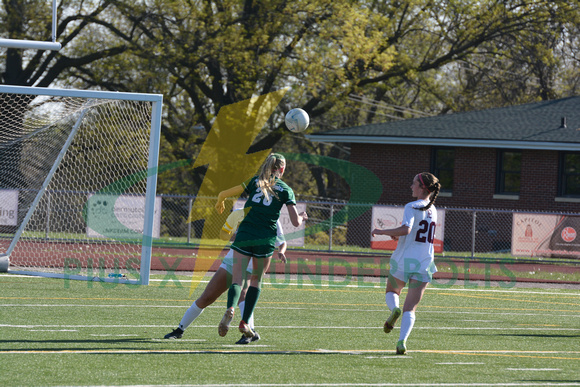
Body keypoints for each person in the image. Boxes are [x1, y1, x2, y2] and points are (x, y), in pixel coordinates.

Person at [215, 153, 307, 339]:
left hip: (245, 234)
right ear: (281, 169)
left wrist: (220, 200)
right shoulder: (285, 189)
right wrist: (302, 217)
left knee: (237, 280)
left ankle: (230, 308)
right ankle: (245, 322)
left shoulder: (254, 181)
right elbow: (295, 222)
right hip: (265, 239)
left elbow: (224, 193)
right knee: (256, 281)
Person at [164, 208, 287, 344]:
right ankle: (180, 330)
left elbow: (282, 241)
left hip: (253, 262)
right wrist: (234, 234)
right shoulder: (239, 212)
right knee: (207, 297)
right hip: (233, 258)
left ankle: (249, 332)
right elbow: (224, 234)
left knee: (243, 295)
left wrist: (281, 251)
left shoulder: (272, 216)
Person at [371, 172, 440, 355]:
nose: (411, 186)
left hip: (405, 259)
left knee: (392, 291)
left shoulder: (411, 206)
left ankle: (394, 309)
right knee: (411, 308)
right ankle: (402, 341)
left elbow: (407, 229)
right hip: (424, 261)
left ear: (422, 187)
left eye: (413, 183)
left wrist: (382, 231)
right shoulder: (433, 209)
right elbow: (412, 232)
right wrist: (398, 234)